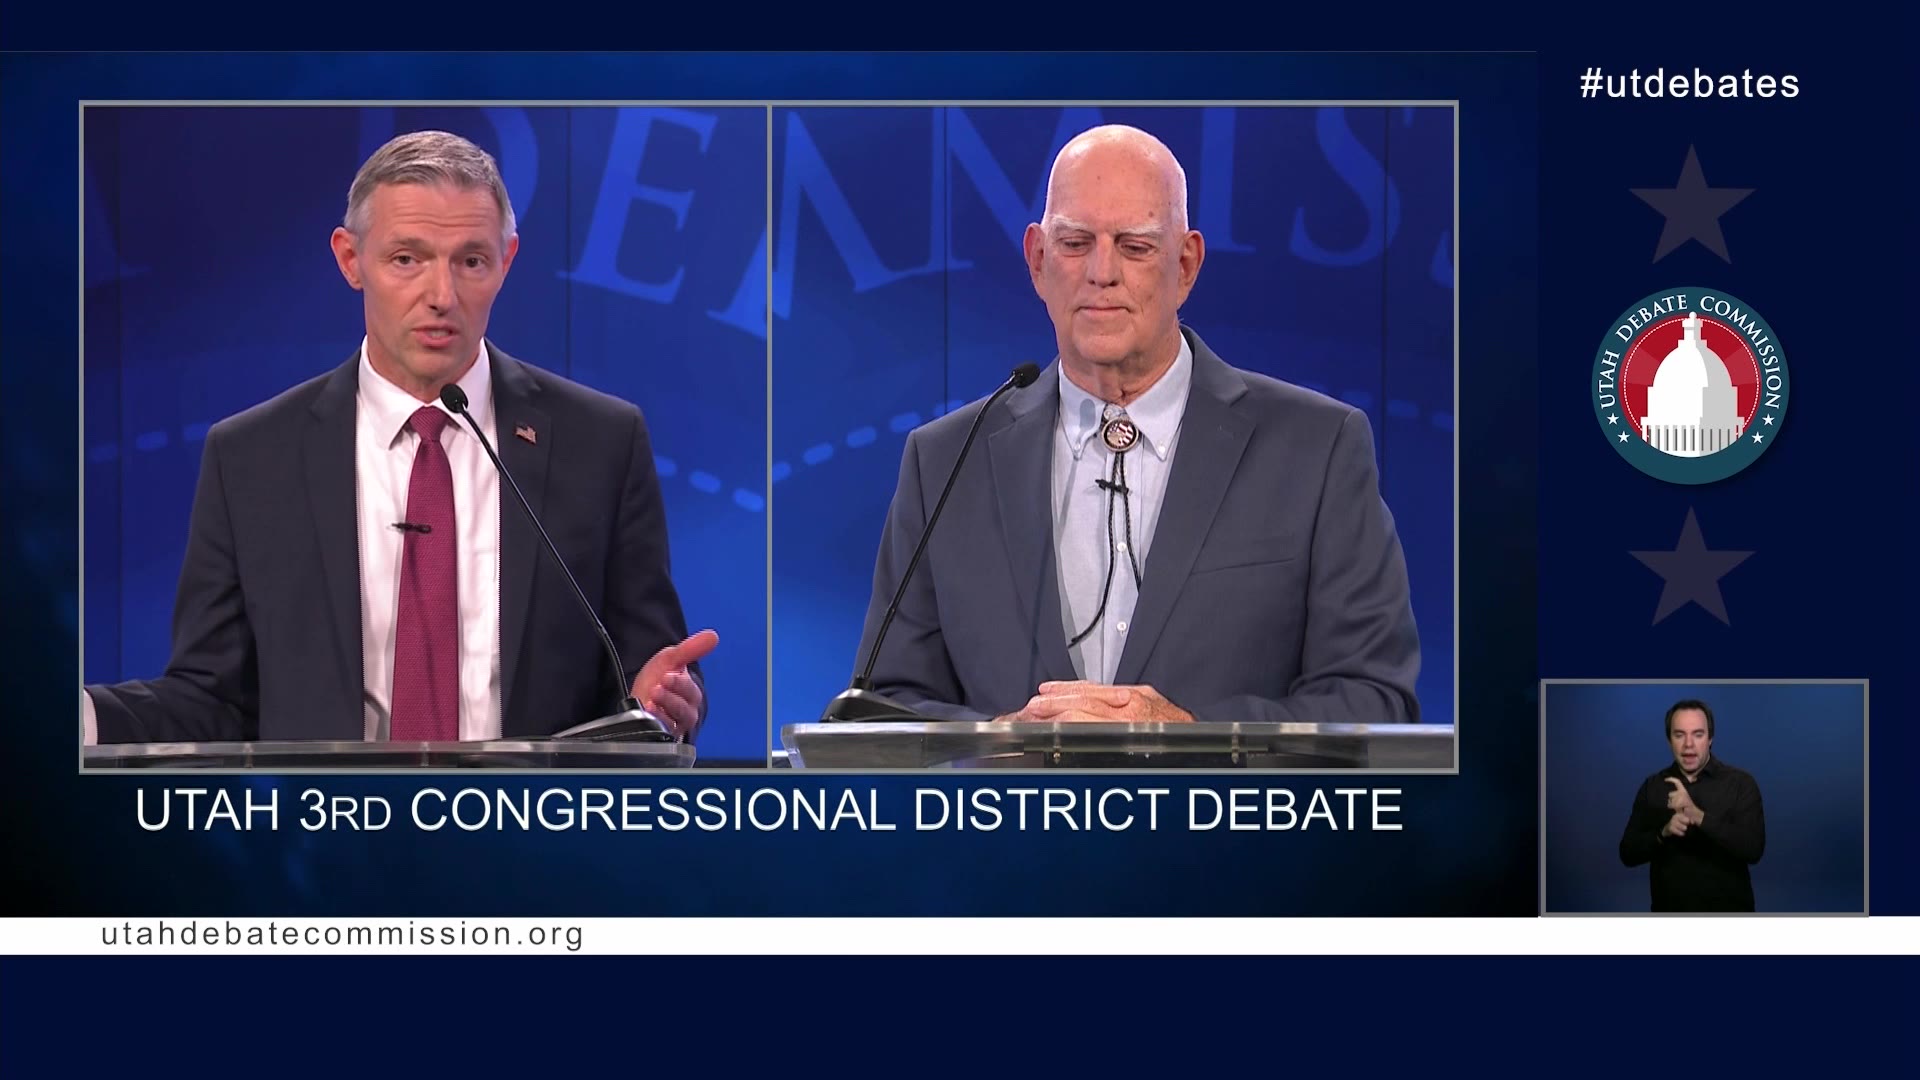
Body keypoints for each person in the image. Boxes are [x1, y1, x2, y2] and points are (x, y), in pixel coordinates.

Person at [84, 130, 717, 745]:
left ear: (507, 261)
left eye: (470, 261)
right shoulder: (251, 457)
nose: (440, 296)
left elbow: (649, 672)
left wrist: (663, 698)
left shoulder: (601, 442)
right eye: (407, 259)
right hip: (332, 839)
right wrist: (84, 716)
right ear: (350, 259)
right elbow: (212, 699)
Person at [851, 124, 1420, 725]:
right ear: (1039, 261)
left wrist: (1197, 741)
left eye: (1135, 246)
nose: (1102, 272)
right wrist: (996, 744)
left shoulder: (1317, 449)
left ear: (1186, 264)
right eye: (1075, 243)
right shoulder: (944, 462)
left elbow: (1375, 701)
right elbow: (881, 708)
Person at [1618, 699, 1767, 911]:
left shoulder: (1740, 784)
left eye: (1698, 734)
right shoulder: (1653, 787)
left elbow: (1753, 850)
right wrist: (1663, 832)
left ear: (1710, 738)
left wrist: (1698, 816)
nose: (1689, 744)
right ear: (1669, 740)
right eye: (1679, 735)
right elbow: (1627, 854)